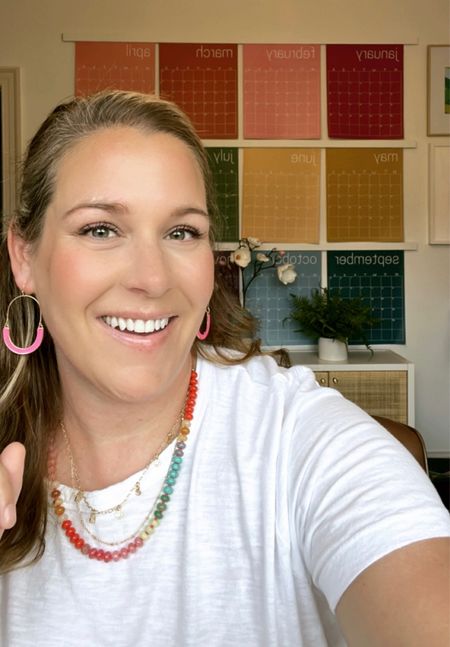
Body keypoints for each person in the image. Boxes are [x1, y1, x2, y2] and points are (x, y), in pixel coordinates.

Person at [0, 90, 448, 647]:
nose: (153, 278)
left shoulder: (300, 439)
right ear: (24, 256)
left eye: (181, 232)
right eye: (101, 229)